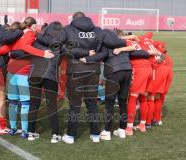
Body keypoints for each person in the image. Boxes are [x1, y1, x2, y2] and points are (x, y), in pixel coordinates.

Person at [80, 29, 151, 140]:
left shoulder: (106, 45)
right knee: (123, 101)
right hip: (127, 72)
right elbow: (141, 53)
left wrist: (86, 59)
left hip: (114, 73)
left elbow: (100, 55)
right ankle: (122, 130)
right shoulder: (123, 44)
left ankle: (107, 131)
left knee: (109, 102)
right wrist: (150, 53)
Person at [53, 12, 105, 144]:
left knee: (75, 105)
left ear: (74, 20)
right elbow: (104, 52)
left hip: (75, 71)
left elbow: (56, 46)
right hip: (93, 71)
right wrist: (89, 55)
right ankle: (95, 134)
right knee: (92, 103)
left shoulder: (68, 29)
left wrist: (82, 54)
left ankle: (70, 135)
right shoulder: (97, 30)